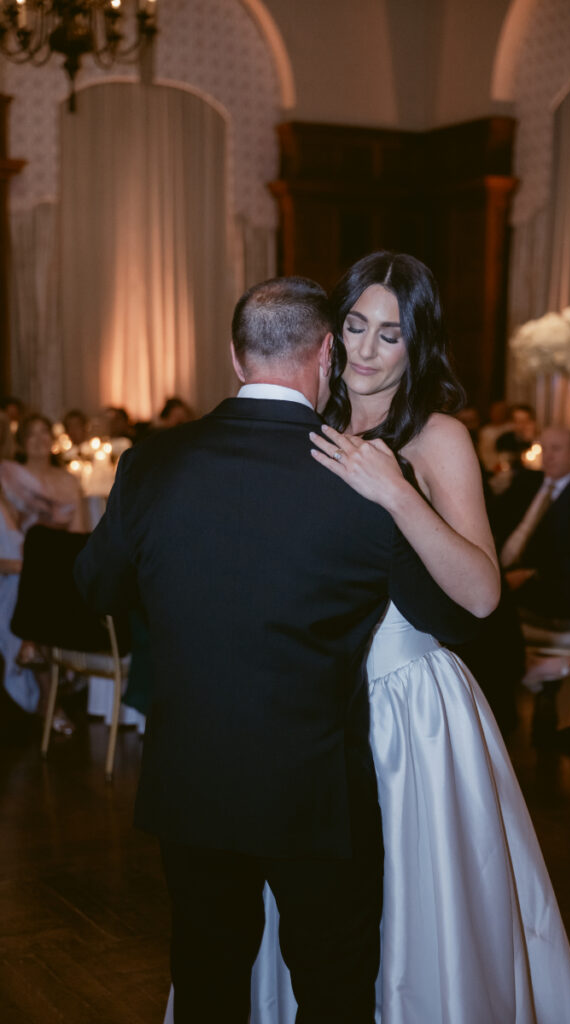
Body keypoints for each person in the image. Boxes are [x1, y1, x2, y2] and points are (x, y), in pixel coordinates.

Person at [74, 276, 476, 1024]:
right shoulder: (362, 478)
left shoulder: (152, 464)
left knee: (207, 980)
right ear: (327, 353)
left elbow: (93, 589)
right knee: (332, 987)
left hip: (190, 780)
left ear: (234, 357)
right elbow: (448, 617)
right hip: (316, 792)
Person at [248, 253, 570, 1024]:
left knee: (414, 907)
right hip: (305, 702)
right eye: (355, 326)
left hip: (406, 704)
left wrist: (395, 494)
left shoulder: (436, 436)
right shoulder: (304, 417)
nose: (366, 351)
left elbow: (480, 591)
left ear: (416, 345)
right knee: (309, 916)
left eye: (390, 335)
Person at [0, 413, 84, 725]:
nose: (39, 439)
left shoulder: (68, 480)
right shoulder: (7, 475)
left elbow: (79, 535)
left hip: (57, 565)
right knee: (40, 574)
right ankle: (50, 704)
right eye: (31, 434)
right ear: (21, 441)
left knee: (51, 579)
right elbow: (7, 531)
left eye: (45, 433)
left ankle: (31, 647)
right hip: (20, 562)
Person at [492, 425, 570, 625]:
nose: (548, 456)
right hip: (498, 572)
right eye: (543, 449)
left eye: (556, 449)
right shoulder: (527, 481)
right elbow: (494, 520)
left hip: (545, 585)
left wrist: (529, 574)